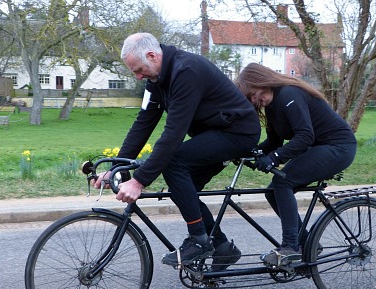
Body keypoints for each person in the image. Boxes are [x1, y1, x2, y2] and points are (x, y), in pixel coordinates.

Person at [95, 33, 261, 270]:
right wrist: (116, 169)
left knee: (173, 163)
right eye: (135, 72)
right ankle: (222, 247)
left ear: (152, 56)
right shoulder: (155, 81)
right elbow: (143, 123)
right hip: (211, 134)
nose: (139, 76)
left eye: (139, 70)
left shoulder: (186, 72)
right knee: (183, 190)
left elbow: (173, 134)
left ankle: (199, 240)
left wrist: (139, 181)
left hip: (237, 133)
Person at [235, 63, 357, 267]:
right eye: (252, 99)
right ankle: (308, 244)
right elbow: (274, 142)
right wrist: (249, 153)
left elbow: (305, 136)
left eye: (255, 95)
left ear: (262, 82)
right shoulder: (273, 106)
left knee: (283, 183)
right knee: (273, 191)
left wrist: (274, 159)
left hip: (338, 147)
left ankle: (291, 247)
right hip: (319, 148)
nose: (257, 101)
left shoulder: (289, 94)